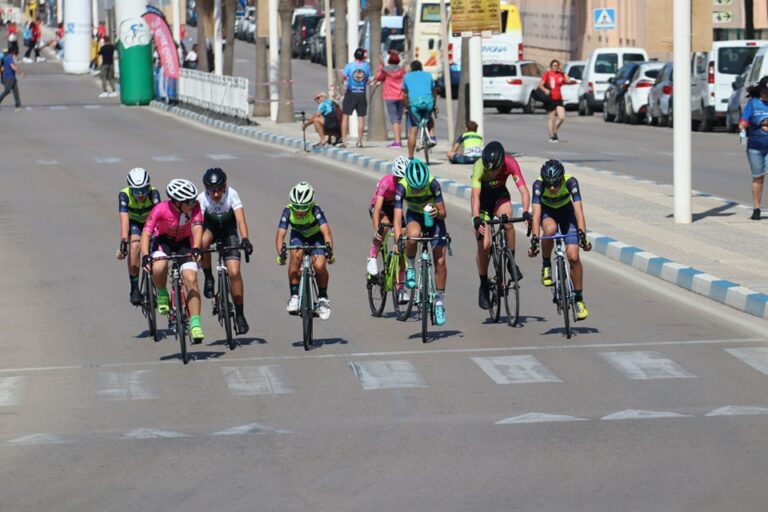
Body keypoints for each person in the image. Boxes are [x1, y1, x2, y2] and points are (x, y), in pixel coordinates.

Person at [140, 178, 207, 343]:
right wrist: (145, 255)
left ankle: (195, 324)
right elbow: (146, 233)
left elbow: (197, 227)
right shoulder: (160, 209)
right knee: (159, 267)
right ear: (177, 202)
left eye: (193, 200)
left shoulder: (195, 207)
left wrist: (197, 247)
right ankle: (162, 292)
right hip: (163, 241)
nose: (193, 203)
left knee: (191, 279)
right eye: (189, 201)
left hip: (185, 242)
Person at [528, 159, 592, 320]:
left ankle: (579, 300)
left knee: (573, 256)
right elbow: (535, 217)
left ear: (562, 179)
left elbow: (579, 213)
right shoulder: (538, 185)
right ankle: (546, 265)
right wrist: (535, 240)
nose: (552, 188)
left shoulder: (571, 182)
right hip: (547, 212)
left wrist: (583, 236)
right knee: (550, 229)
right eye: (549, 184)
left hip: (566, 213)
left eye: (555, 184)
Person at [471, 141, 531, 309]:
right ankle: (483, 284)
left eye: (495, 170)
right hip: (482, 203)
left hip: (499, 197)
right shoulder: (479, 167)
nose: (492, 173)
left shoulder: (510, 162)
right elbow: (475, 196)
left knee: (507, 219)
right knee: (484, 243)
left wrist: (526, 211)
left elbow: (524, 190)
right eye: (489, 170)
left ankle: (510, 262)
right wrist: (476, 218)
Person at [393, 159, 449, 325]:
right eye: (415, 188)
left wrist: (435, 213)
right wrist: (397, 241)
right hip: (414, 216)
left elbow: (443, 212)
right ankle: (410, 266)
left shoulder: (433, 184)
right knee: (412, 235)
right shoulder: (402, 186)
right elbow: (397, 217)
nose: (417, 190)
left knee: (440, 261)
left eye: (420, 187)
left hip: (434, 218)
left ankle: (439, 302)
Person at [198, 167, 253, 335]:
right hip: (211, 229)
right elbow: (198, 225)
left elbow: (241, 219)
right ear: (206, 189)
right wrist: (196, 247)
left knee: (235, 273)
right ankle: (208, 277)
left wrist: (245, 239)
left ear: (225, 186)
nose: (216, 194)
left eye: (219, 190)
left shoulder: (232, 194)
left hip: (228, 230)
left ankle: (240, 315)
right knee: (202, 242)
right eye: (212, 191)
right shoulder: (201, 199)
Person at [275, 182, 334, 320]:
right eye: (297, 207)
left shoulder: (316, 210)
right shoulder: (288, 211)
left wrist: (329, 251)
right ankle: (294, 296)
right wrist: (281, 254)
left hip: (316, 237)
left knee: (319, 266)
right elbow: (280, 235)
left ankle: (323, 298)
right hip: (298, 236)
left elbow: (326, 232)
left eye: (303, 208)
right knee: (295, 256)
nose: (300, 211)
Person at [367, 156, 410, 303]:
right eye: (398, 179)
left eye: (403, 179)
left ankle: (401, 287)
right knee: (384, 226)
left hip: (395, 209)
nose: (401, 182)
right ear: (395, 176)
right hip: (379, 208)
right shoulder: (386, 182)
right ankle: (372, 256)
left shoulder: (408, 185)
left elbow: (410, 208)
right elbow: (377, 208)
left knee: (403, 242)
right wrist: (377, 231)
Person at [116, 168, 162, 306]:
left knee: (156, 251)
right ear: (130, 189)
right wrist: (124, 241)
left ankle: (158, 286)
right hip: (134, 223)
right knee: (135, 246)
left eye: (143, 189)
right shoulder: (124, 195)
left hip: (151, 222)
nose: (141, 194)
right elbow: (124, 220)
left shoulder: (154, 193)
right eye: (136, 191)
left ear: (148, 186)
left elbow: (160, 216)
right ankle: (134, 289)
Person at [738, 77, 768, 220]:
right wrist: (742, 126)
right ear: (761, 90)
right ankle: (756, 208)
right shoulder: (753, 104)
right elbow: (744, 120)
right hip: (755, 147)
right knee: (758, 178)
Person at [402, 60, 437, 159]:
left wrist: (406, 106)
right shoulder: (428, 75)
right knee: (429, 118)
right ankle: (432, 137)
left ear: (411, 68)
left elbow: (404, 94)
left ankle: (410, 157)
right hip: (428, 103)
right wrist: (434, 105)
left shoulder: (407, 77)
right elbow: (434, 91)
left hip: (414, 106)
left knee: (413, 129)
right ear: (421, 68)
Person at [339, 47, 371, 148]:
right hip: (361, 93)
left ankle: (344, 140)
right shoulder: (366, 67)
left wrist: (344, 83)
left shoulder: (349, 66)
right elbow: (367, 80)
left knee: (345, 116)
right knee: (361, 118)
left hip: (350, 93)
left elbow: (343, 77)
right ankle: (359, 141)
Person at [374, 50, 406, 148]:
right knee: (399, 119)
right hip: (401, 96)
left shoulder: (385, 70)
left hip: (390, 96)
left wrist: (381, 66)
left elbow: (378, 77)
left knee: (394, 119)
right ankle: (399, 140)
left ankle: (397, 142)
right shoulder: (402, 70)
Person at [539, 59, 575, 143]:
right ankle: (552, 136)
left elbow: (568, 81)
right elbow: (540, 85)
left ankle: (555, 130)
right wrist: (545, 90)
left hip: (559, 98)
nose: (555, 67)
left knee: (562, 117)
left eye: (557, 65)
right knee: (551, 118)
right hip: (550, 98)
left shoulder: (560, 75)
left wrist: (563, 72)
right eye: (554, 65)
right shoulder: (547, 74)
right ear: (551, 66)